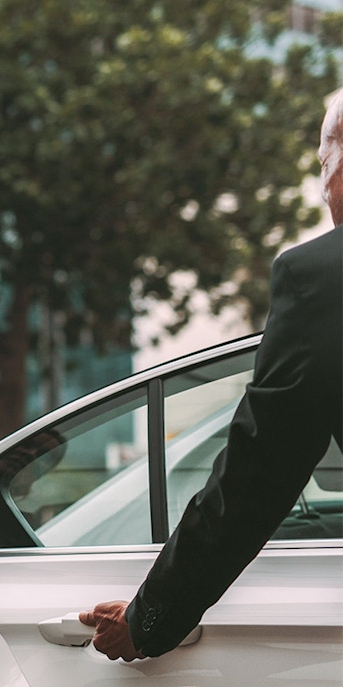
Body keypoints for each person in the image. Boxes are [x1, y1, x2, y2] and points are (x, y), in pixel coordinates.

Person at [79, 93, 343, 661]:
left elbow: (257, 475)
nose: (324, 192)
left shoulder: (320, 278)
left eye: (325, 164)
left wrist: (148, 618)